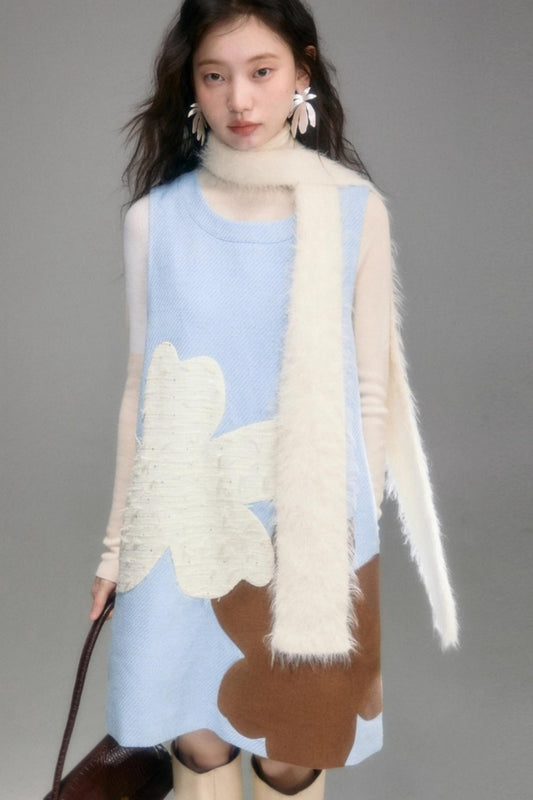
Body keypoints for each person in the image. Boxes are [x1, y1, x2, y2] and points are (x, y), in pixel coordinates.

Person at [89, 1, 460, 798]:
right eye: (213, 76)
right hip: (182, 524)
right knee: (194, 738)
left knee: (297, 745)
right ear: (190, 86)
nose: (240, 100)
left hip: (311, 529)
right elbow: (143, 392)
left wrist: (350, 543)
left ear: (302, 70)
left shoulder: (353, 211)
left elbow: (369, 392)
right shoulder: (156, 221)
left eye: (260, 72)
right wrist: (114, 551)